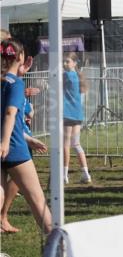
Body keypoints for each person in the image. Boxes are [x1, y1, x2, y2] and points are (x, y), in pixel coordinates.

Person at [0, 40, 52, 236]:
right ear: (20, 57)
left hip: (6, 144)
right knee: (37, 199)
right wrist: (6, 142)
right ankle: (58, 246)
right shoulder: (16, 83)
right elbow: (10, 114)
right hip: (13, 148)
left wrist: (29, 139)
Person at [61, 52, 91, 184]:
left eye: (67, 61)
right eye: (64, 61)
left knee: (66, 145)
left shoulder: (66, 75)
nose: (64, 64)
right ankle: (86, 173)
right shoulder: (79, 77)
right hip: (77, 115)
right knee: (76, 144)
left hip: (68, 114)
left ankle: (64, 175)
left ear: (74, 63)